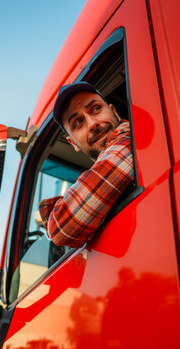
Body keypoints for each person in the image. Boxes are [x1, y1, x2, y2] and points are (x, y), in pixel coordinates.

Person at [39, 82, 134, 247]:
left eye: (96, 109)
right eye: (77, 122)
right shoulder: (106, 166)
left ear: (115, 112)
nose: (92, 124)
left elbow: (60, 229)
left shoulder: (129, 139)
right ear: (73, 143)